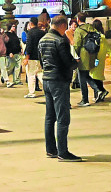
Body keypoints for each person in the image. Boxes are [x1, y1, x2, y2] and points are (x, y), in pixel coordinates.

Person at [38, 15, 81, 162]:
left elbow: (42, 61)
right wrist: (76, 62)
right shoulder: (60, 40)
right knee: (63, 117)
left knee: (50, 116)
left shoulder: (43, 39)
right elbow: (67, 62)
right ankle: (63, 151)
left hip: (47, 79)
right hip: (59, 81)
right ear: (62, 25)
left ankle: (51, 149)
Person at [72, 12, 103, 105]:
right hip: (92, 54)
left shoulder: (79, 30)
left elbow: (77, 45)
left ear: (78, 19)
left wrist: (74, 56)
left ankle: (85, 99)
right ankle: (98, 90)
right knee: (86, 76)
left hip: (83, 56)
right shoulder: (92, 28)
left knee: (82, 78)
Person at [88, 19, 110, 102]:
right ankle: (100, 96)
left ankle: (100, 92)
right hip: (101, 59)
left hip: (95, 58)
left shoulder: (94, 36)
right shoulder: (103, 37)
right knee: (98, 77)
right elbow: (108, 48)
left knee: (93, 76)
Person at [23, 16, 46, 98]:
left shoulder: (30, 33)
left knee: (31, 75)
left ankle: (31, 92)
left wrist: (26, 58)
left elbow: (29, 46)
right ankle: (48, 89)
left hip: (32, 57)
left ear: (31, 23)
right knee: (40, 73)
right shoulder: (42, 33)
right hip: (40, 56)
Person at [4, 20, 23, 86]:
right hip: (11, 53)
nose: (14, 28)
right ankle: (4, 76)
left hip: (17, 52)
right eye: (13, 26)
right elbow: (6, 45)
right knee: (10, 67)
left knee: (18, 67)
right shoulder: (6, 35)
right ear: (10, 27)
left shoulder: (14, 34)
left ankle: (16, 80)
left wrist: (20, 49)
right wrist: (9, 52)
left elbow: (17, 43)